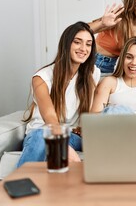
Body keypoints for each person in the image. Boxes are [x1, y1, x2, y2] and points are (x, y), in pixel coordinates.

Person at [17, 22, 101, 167]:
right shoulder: (41, 78)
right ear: (66, 44)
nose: (83, 49)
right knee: (40, 135)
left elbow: (92, 111)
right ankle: (20, 185)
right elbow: (50, 117)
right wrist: (61, 144)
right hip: (43, 132)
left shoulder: (93, 73)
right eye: (77, 42)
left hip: (73, 136)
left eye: (88, 44)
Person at [91, 37, 136, 114]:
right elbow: (94, 115)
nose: (134, 63)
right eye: (129, 57)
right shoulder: (109, 82)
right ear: (122, 59)